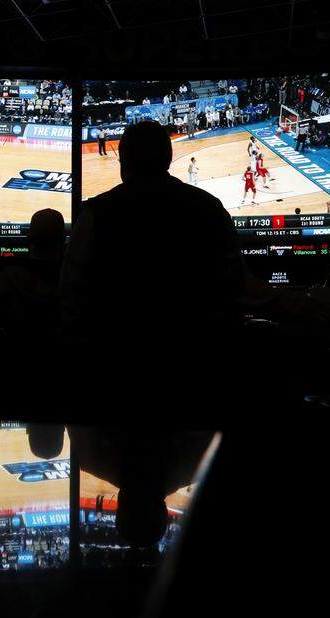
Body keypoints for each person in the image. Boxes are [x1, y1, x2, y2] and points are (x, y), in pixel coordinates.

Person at [60, 121, 245, 411]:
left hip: (115, 374)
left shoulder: (96, 213)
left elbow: (71, 294)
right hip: (195, 372)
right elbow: (235, 286)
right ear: (169, 159)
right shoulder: (210, 208)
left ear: (123, 162)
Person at [0, 209, 66, 395]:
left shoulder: (4, 280)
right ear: (62, 241)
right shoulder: (75, 282)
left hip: (14, 377)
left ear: (28, 239)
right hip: (62, 379)